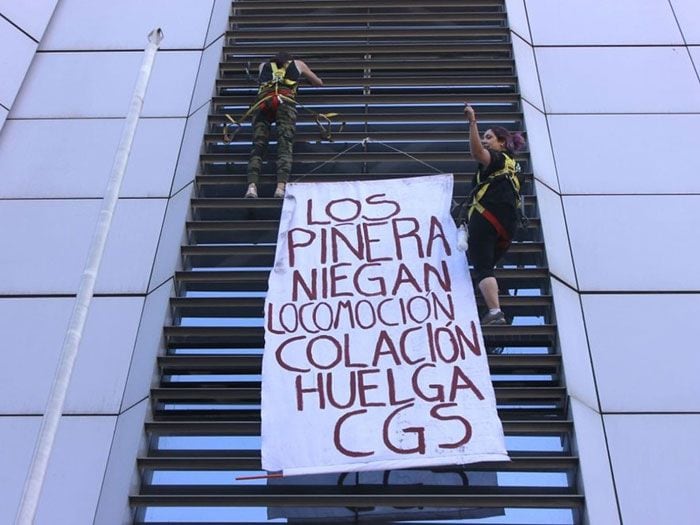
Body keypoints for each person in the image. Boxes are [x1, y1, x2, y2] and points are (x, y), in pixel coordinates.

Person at [463, 103, 525, 325]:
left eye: (489, 137)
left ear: (502, 143)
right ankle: (489, 304)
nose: (485, 140)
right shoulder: (513, 167)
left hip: (486, 217)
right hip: (507, 226)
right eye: (484, 136)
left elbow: (477, 152)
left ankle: (495, 310)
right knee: (485, 268)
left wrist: (472, 121)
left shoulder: (497, 159)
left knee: (482, 268)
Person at [244, 52, 324, 199]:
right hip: (285, 103)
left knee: (258, 146)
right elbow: (318, 83)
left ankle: (252, 187)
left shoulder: (263, 66)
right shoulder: (298, 64)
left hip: (263, 104)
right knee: (284, 144)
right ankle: (280, 188)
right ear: (290, 59)